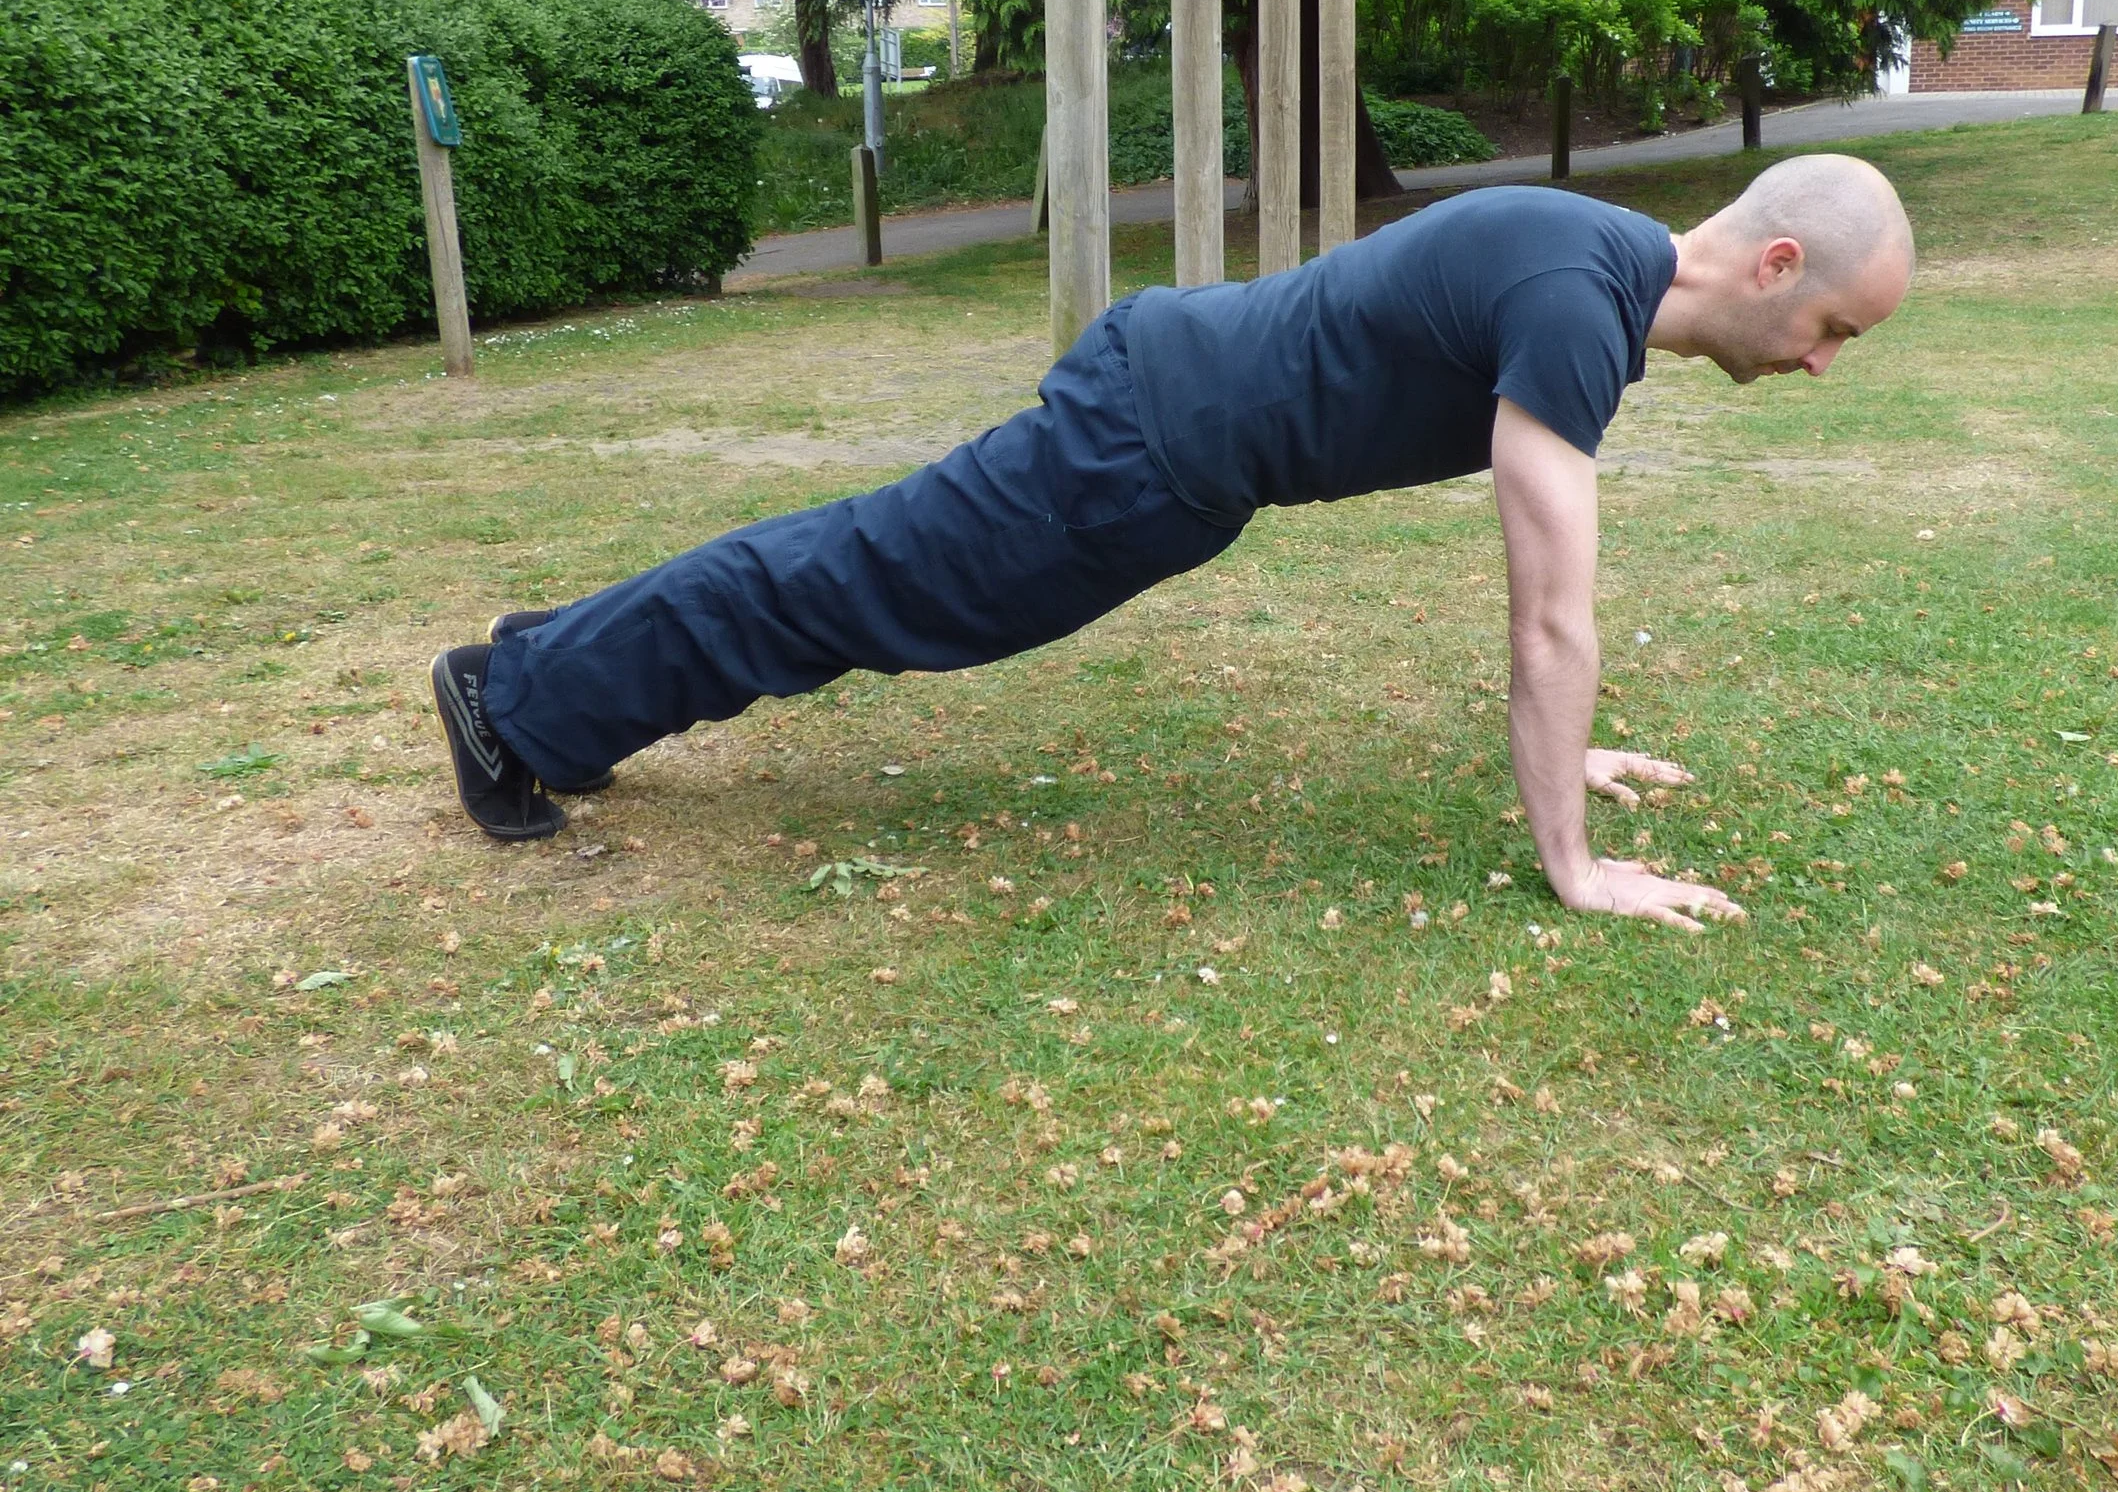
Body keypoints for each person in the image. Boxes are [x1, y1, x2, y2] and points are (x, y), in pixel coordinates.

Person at [433, 154, 1913, 929]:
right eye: (1833, 328)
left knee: (860, 580)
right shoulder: (1575, 302)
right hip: (1138, 448)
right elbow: (1550, 616)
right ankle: (518, 704)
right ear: (1777, 266)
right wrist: (1575, 863)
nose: (1823, 363)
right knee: (859, 581)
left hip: (1164, 436)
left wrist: (1568, 744)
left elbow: (1549, 625)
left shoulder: (1583, 265)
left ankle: (540, 681)